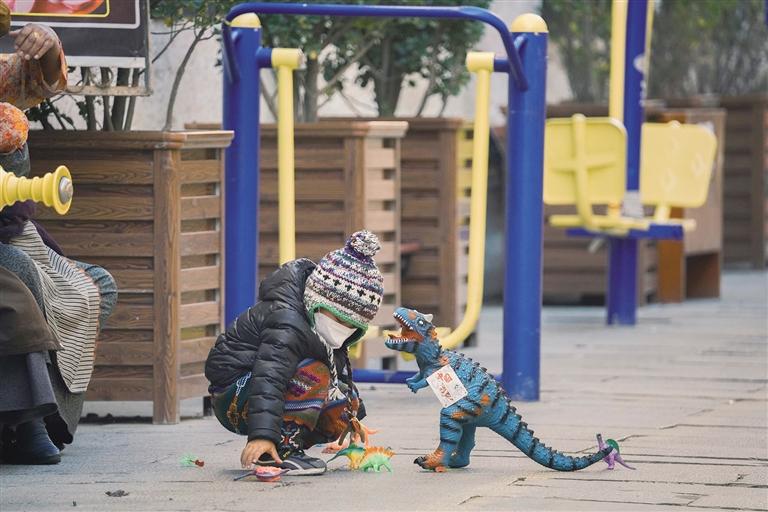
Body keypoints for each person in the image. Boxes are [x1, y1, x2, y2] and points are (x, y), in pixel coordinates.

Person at [0, 6, 117, 464]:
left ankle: (49, 417)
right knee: (20, 277)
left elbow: (42, 80)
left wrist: (47, 40)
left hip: (11, 228)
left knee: (96, 284)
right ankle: (25, 422)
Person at [205, 230, 384, 475]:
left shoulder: (319, 325)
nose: (343, 328)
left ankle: (292, 440)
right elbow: (269, 376)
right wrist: (262, 435)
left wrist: (352, 417)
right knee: (314, 372)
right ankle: (282, 449)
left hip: (260, 392)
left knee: (343, 400)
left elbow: (339, 375)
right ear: (317, 301)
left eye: (352, 325)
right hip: (234, 396)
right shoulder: (287, 322)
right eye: (338, 319)